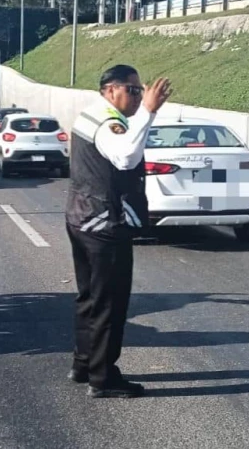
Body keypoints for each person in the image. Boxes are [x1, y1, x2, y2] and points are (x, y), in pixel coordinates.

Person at [65, 65, 172, 398]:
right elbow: (126, 157)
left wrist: (143, 114)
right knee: (110, 303)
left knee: (90, 299)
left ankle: (84, 364)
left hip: (84, 219)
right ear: (110, 90)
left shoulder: (92, 114)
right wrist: (149, 113)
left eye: (141, 91)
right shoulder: (109, 122)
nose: (140, 96)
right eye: (133, 90)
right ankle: (103, 378)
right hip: (105, 225)